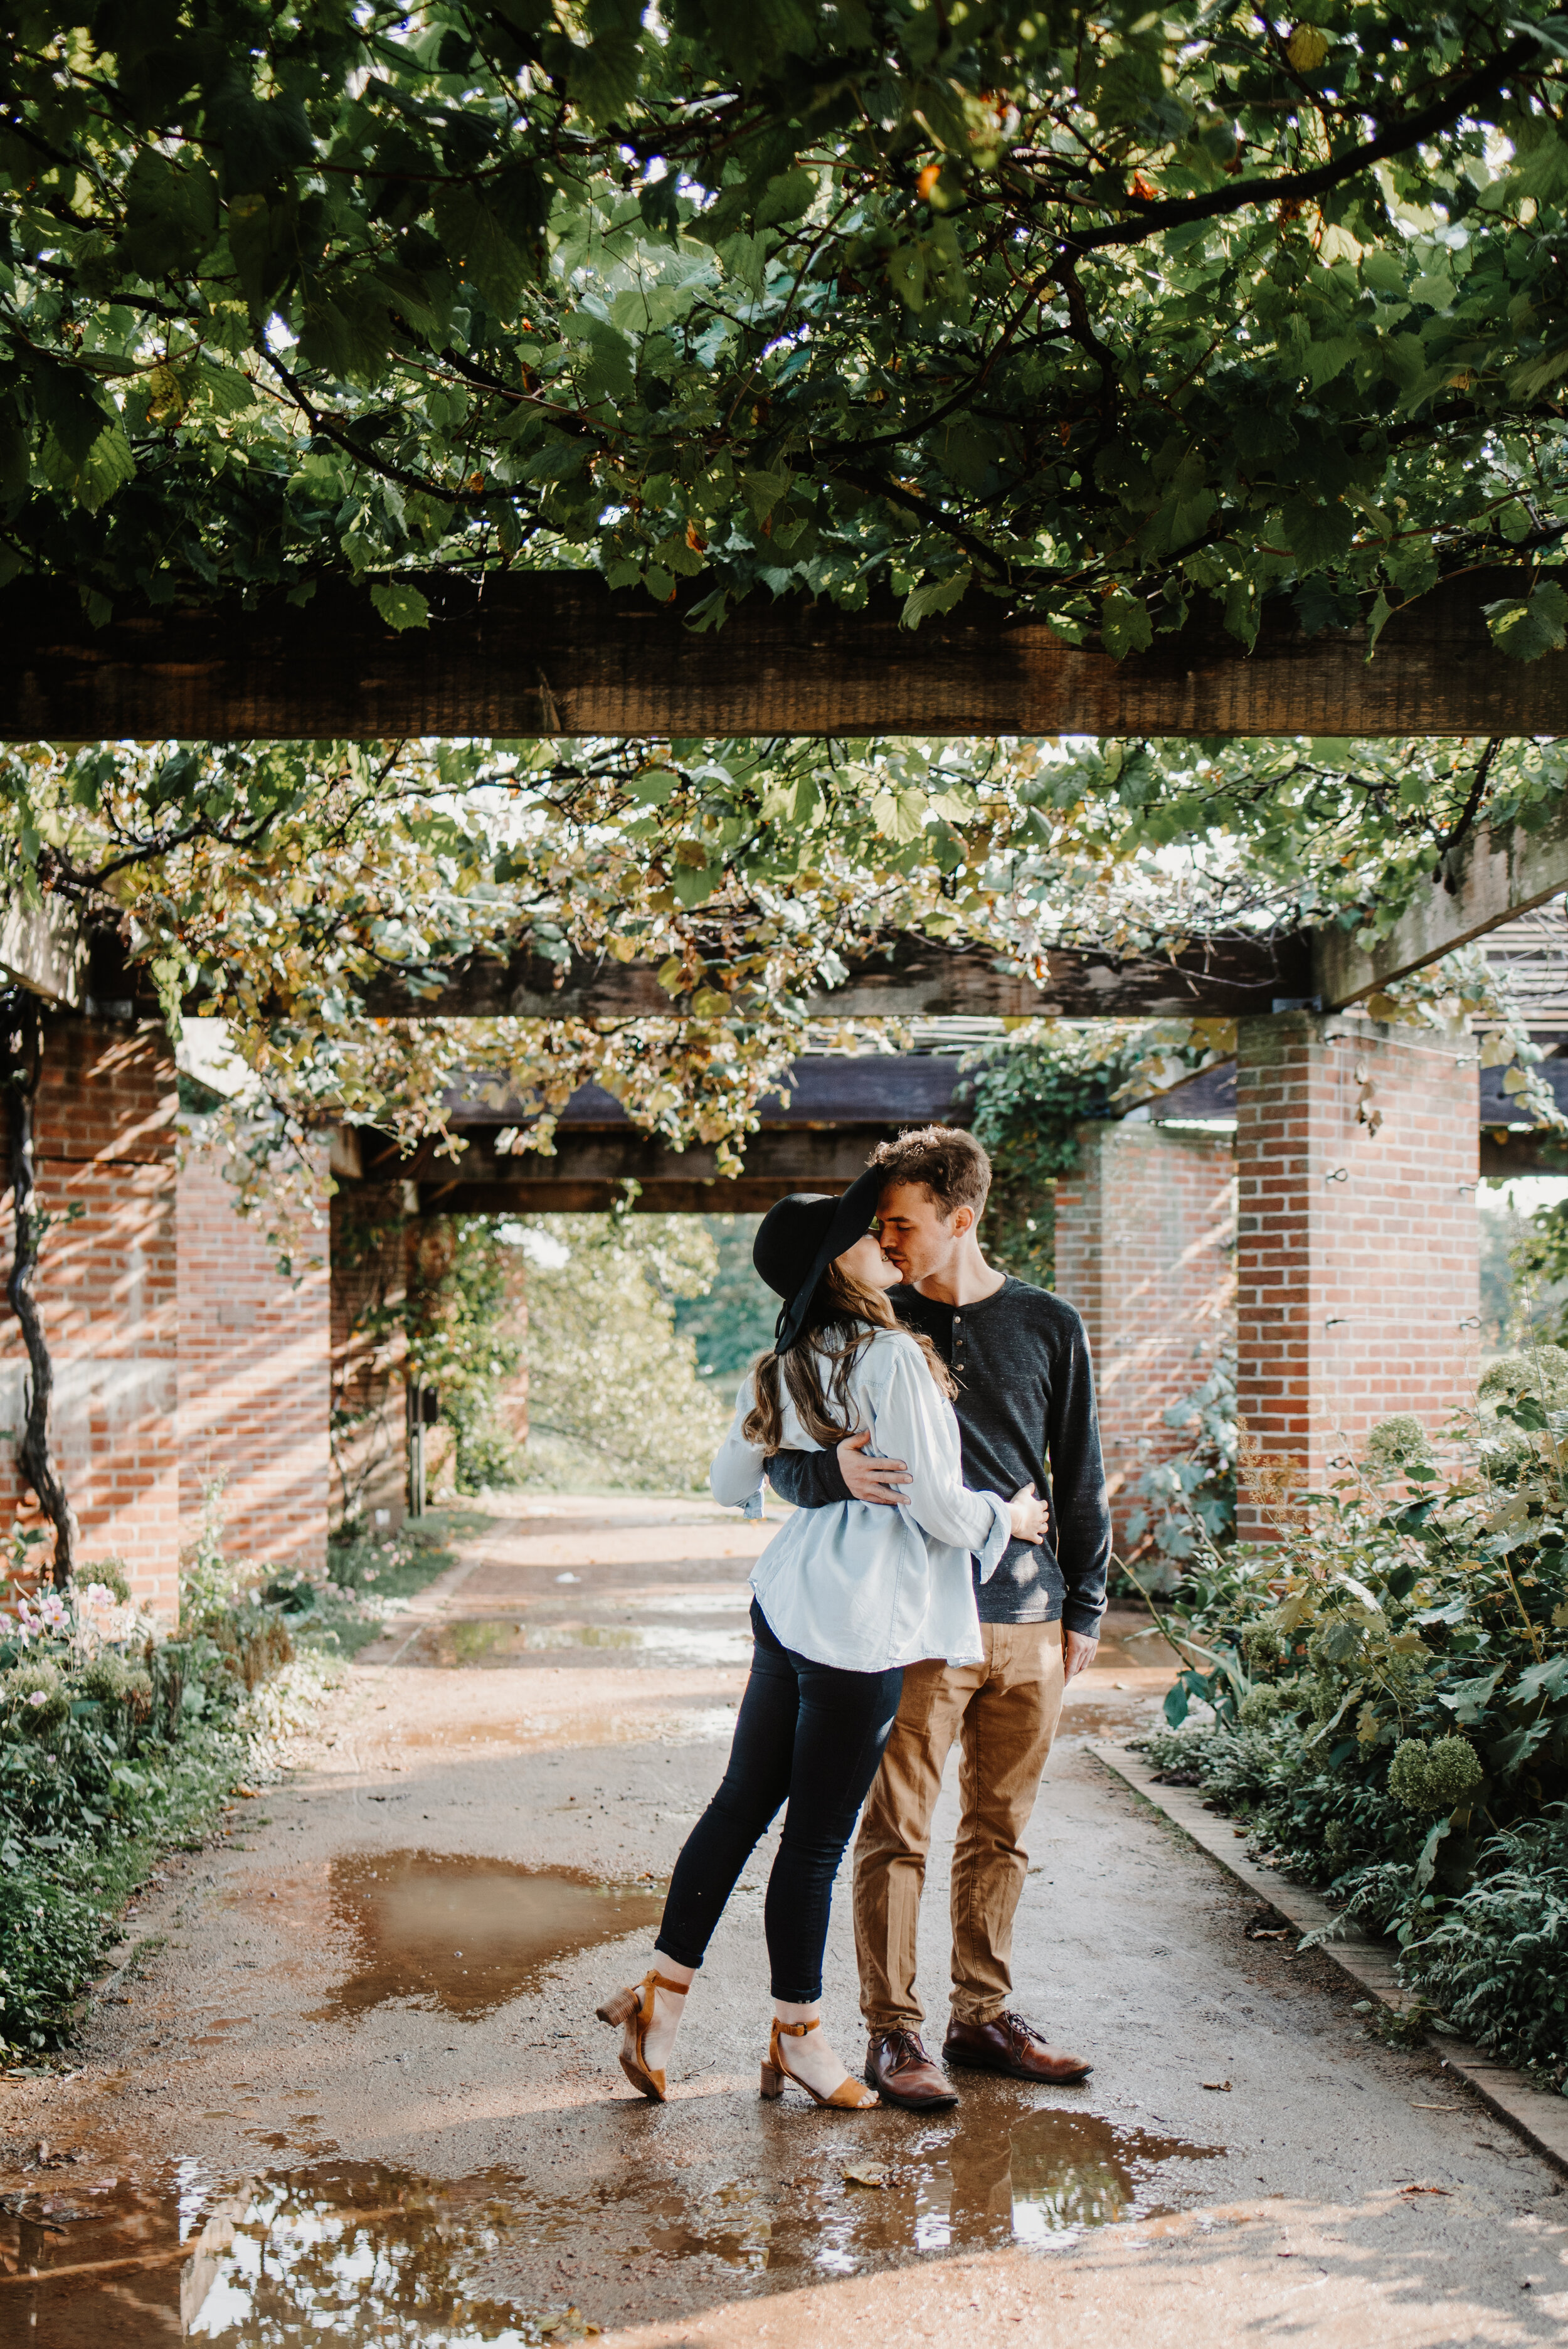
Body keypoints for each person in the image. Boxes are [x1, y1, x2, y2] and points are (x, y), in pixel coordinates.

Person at [594, 1163, 1049, 2111]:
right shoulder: (886, 1358)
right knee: (813, 1844)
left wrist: (817, 1466)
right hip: (857, 1629)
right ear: (835, 1263)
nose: (883, 1242)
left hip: (789, 1606)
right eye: (862, 1234)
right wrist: (1007, 1519)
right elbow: (933, 1504)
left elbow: (729, 1483)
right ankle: (798, 2037)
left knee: (738, 1807)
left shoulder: (785, 1356)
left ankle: (660, 2002)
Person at [765, 1125, 1111, 2111]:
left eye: (905, 1222)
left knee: (1001, 1825)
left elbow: (1079, 1474)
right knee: (897, 1827)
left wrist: (1085, 1605)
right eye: (881, 1224)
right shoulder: (871, 1322)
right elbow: (785, 1458)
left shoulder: (1050, 1324)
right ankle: (894, 2030)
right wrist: (828, 1472)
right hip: (917, 1614)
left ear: (961, 1219)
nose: (891, 1239)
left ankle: (984, 2015)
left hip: (1028, 1617)